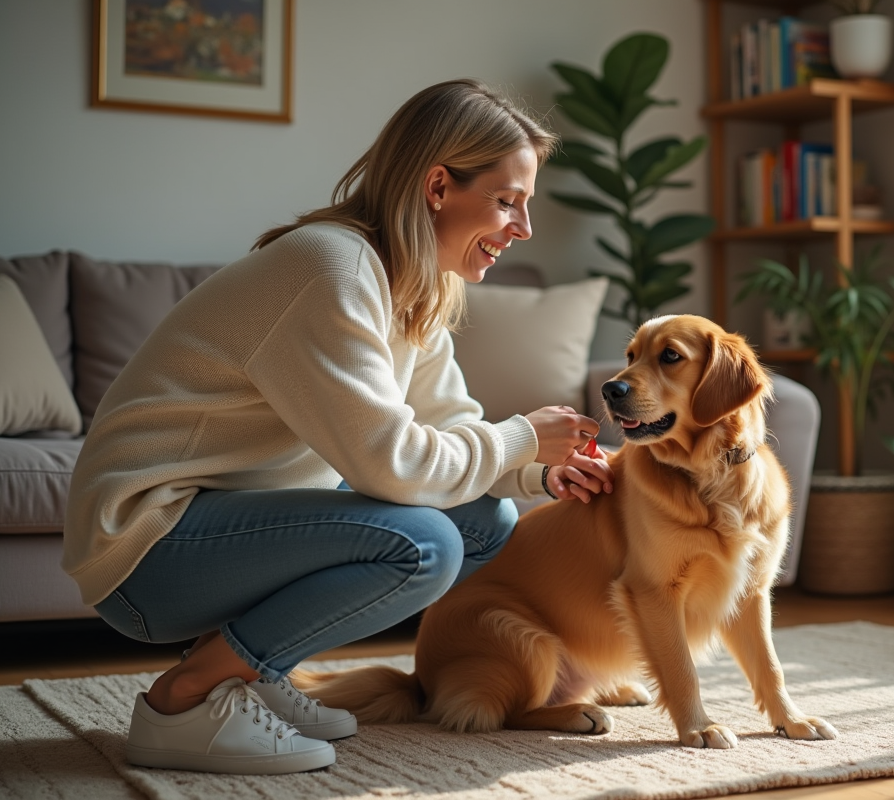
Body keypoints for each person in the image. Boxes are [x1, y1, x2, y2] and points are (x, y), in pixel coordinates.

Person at [62, 79, 613, 776]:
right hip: (146, 546)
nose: (523, 228)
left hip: (212, 529)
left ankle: (253, 676)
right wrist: (524, 437)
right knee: (425, 545)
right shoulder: (331, 267)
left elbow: (451, 425)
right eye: (507, 202)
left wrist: (537, 468)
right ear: (438, 187)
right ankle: (186, 699)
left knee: (486, 518)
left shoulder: (413, 284)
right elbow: (392, 465)